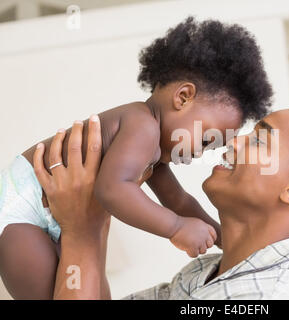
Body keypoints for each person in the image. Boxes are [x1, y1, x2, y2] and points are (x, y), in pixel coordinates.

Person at [0, 17, 273, 299]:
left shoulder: (154, 150)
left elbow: (178, 200)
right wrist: (176, 228)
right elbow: (113, 189)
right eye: (206, 139)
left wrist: (221, 236)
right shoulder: (141, 125)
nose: (201, 152)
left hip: (56, 215)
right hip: (19, 211)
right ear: (183, 97)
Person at [34, 107, 289, 299]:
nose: (235, 141)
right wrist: (95, 212)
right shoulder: (203, 274)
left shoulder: (274, 294)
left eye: (260, 138)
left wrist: (81, 232)